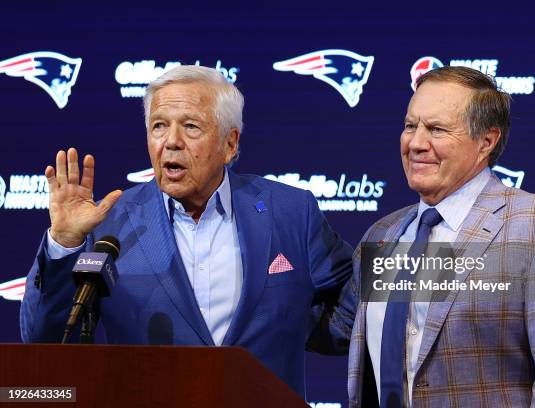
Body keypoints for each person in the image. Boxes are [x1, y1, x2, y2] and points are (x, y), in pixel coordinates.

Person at [20, 65, 353, 396]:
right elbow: (45, 343)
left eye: (191, 126)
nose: (171, 142)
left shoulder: (291, 212)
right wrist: (65, 243)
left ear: (230, 143)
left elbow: (359, 316)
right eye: (159, 126)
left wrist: (296, 324)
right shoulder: (109, 225)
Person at [343, 66, 535, 407]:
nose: (416, 143)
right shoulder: (383, 234)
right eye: (410, 126)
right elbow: (333, 328)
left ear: (486, 141)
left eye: (436, 129)